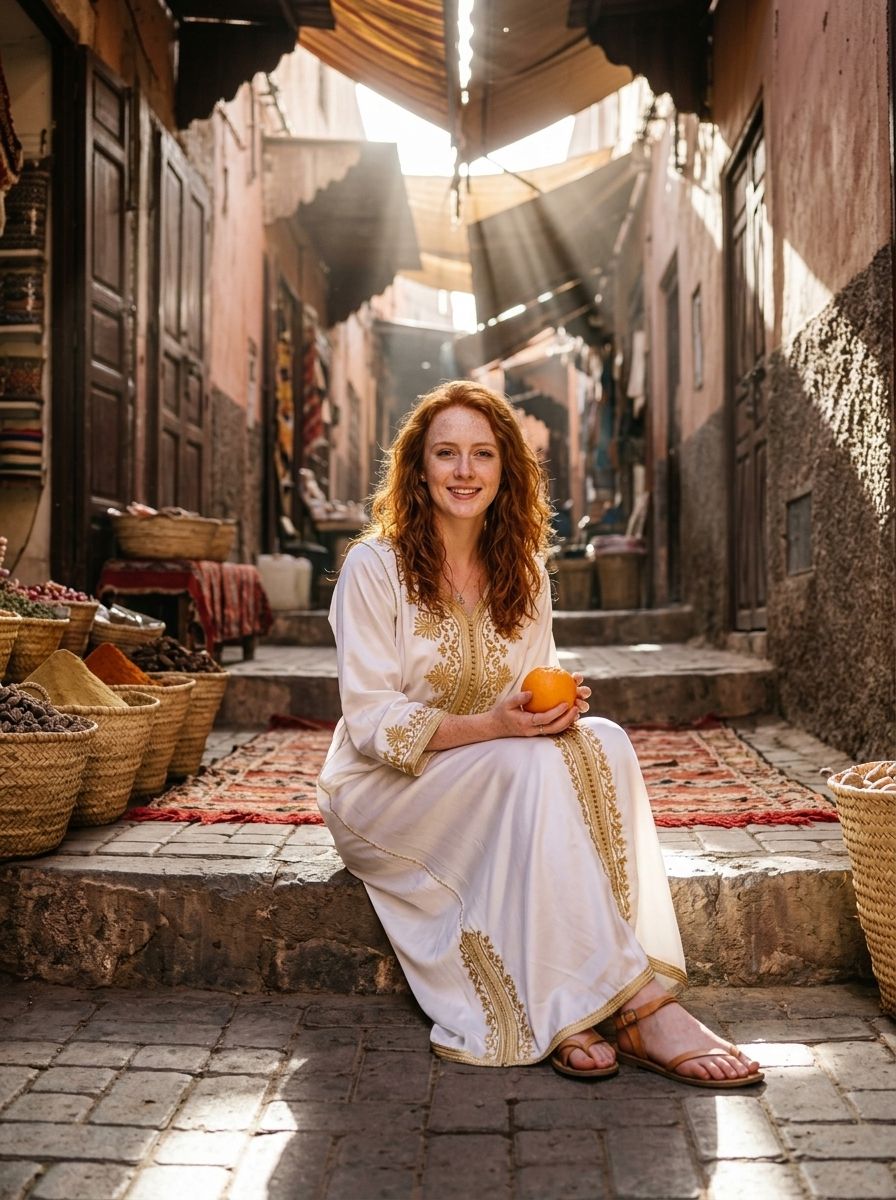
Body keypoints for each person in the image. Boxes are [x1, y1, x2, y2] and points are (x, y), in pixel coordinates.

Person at [317, 381, 762, 1086]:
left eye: (483, 454)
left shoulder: (523, 572)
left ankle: (586, 999)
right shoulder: (374, 569)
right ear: (419, 468)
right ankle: (636, 1006)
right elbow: (370, 721)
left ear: (506, 469)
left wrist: (549, 711)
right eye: (446, 453)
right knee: (525, 769)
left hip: (490, 771)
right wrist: (497, 725)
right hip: (381, 790)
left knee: (605, 742)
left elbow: (525, 692)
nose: (464, 471)